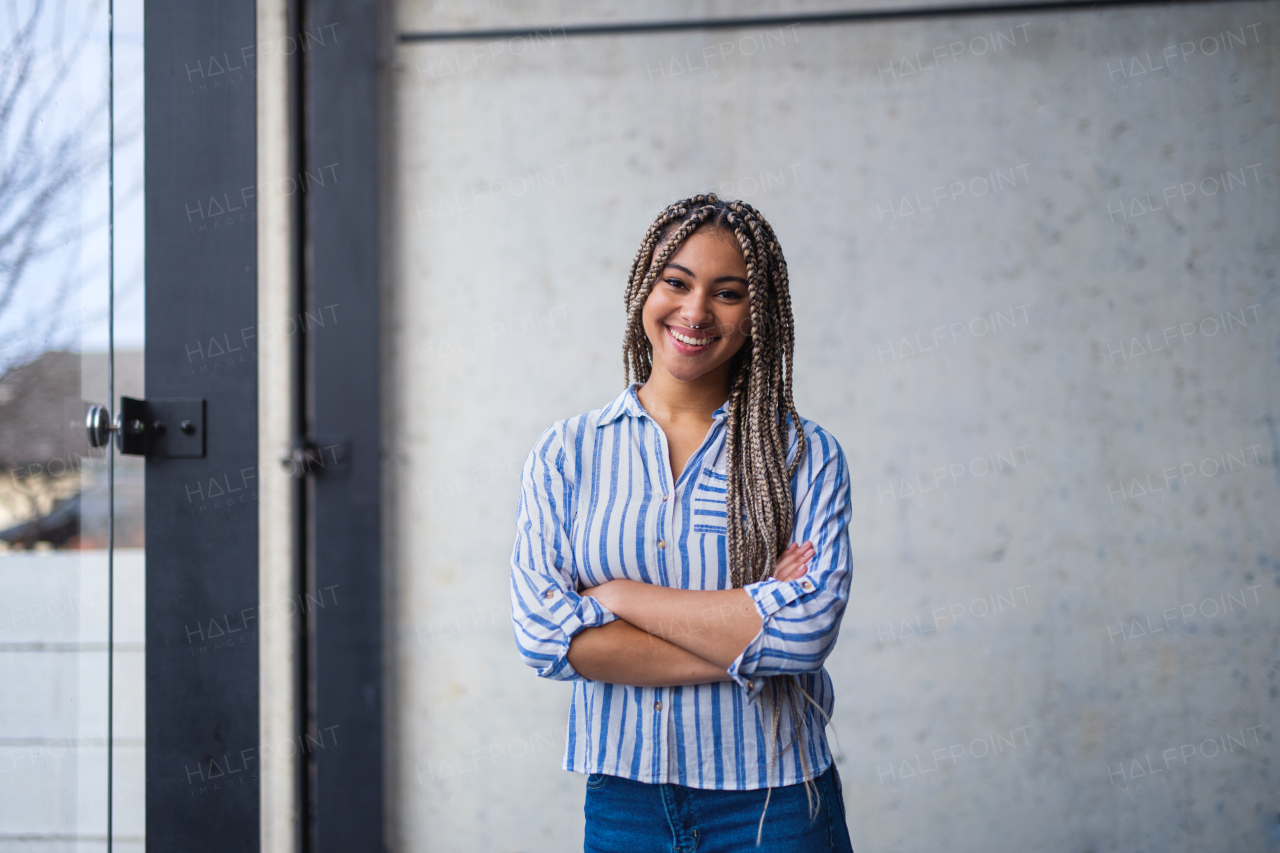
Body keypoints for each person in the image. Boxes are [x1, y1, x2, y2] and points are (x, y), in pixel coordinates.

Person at [510, 194, 854, 852]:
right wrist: (752, 632)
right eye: (677, 282)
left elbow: (806, 632)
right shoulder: (568, 452)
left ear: (759, 314)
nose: (695, 312)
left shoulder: (803, 456)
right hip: (624, 803)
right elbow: (543, 635)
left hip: (774, 804)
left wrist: (617, 600)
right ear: (646, 286)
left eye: (728, 293)